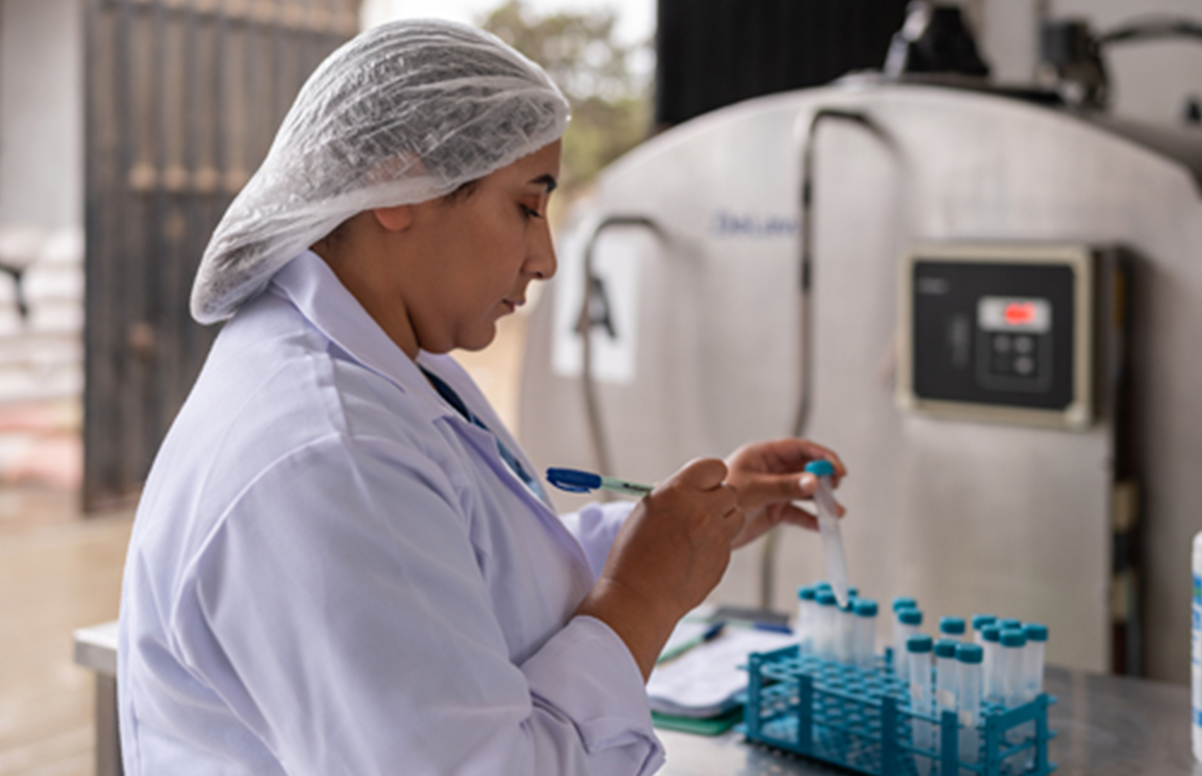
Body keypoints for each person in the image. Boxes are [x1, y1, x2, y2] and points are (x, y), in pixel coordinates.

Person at [117, 19, 847, 776]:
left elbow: (476, 574)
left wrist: (685, 531)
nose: (547, 258)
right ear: (396, 188)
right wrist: (643, 596)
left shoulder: (398, 366)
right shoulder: (329, 457)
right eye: (528, 207)